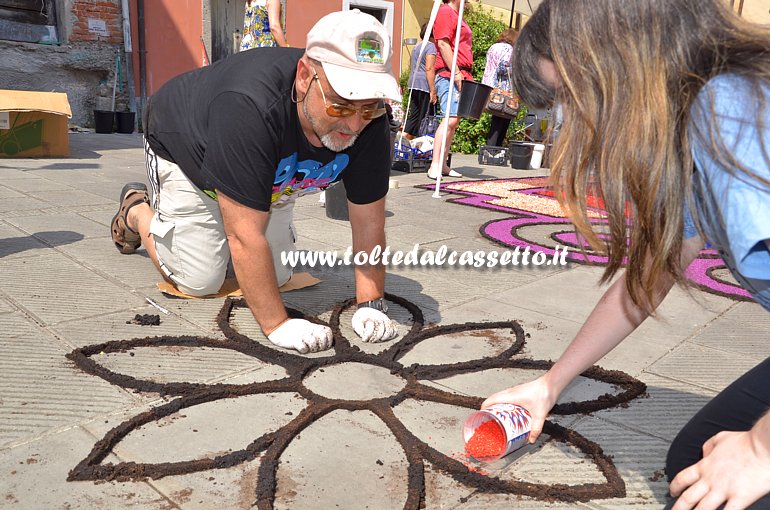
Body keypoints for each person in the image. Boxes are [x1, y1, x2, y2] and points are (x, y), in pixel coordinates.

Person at [481, 1, 770, 509]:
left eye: (572, 93)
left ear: (618, 55)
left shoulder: (731, 109)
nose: (573, 119)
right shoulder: (687, 123)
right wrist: (551, 384)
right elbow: (651, 272)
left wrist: (759, 450)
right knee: (693, 465)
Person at [111, 10, 402, 354]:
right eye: (340, 107)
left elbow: (368, 220)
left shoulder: (372, 120)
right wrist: (276, 324)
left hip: (268, 175)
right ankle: (137, 210)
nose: (355, 125)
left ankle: (223, 216)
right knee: (200, 280)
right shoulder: (249, 106)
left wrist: (371, 302)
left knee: (275, 277)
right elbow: (244, 235)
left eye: (368, 108)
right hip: (187, 149)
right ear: (306, 77)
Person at [426, 0, 473, 180]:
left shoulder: (456, 14)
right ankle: (435, 164)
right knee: (449, 119)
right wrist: (456, 72)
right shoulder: (446, 12)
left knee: (453, 120)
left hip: (458, 72)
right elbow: (443, 44)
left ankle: (443, 163)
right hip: (449, 72)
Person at [481, 28, 519, 147]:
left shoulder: (493, 47)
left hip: (489, 86)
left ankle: (491, 149)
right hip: (503, 89)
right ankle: (494, 149)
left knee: (496, 118)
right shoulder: (509, 49)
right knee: (503, 117)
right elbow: (504, 67)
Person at [403, 23, 437, 139]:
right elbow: (429, 68)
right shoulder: (431, 46)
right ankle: (421, 143)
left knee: (414, 115)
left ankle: (403, 140)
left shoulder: (417, 46)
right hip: (424, 84)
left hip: (413, 83)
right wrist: (433, 90)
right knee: (425, 116)